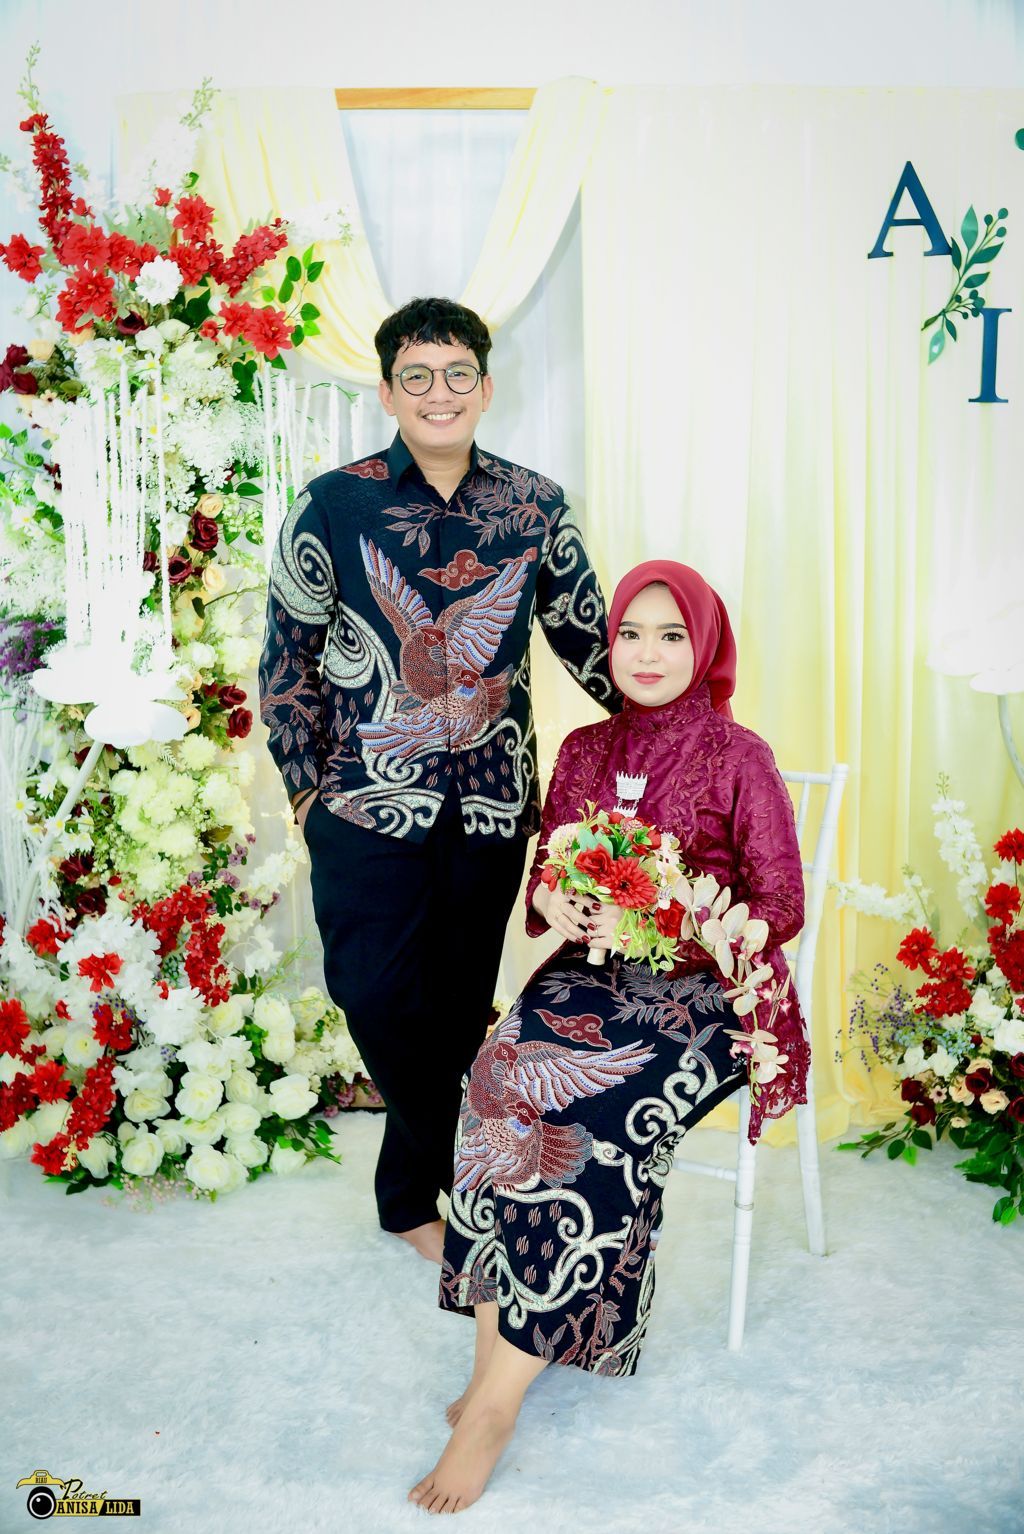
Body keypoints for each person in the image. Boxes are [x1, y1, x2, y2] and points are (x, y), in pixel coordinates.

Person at [408, 560, 809, 1514]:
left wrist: (675, 915)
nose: (648, 653)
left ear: (704, 648)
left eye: (672, 636)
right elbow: (550, 870)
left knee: (593, 1107)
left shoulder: (739, 754)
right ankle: (494, 1352)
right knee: (497, 1077)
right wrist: (560, 900)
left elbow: (781, 904)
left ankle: (497, 1404)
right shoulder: (587, 748)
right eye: (632, 633)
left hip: (708, 996)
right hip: (591, 976)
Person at [258, 297, 616, 1263]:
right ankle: (469, 1165)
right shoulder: (333, 505)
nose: (439, 392)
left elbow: (588, 638)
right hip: (363, 802)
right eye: (416, 375)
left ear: (486, 388)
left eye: (458, 373)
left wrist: (680, 722)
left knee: (456, 1013)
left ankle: (408, 1202)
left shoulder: (536, 506)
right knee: (373, 994)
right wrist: (308, 794)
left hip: (492, 804)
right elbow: (286, 661)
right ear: (388, 392)